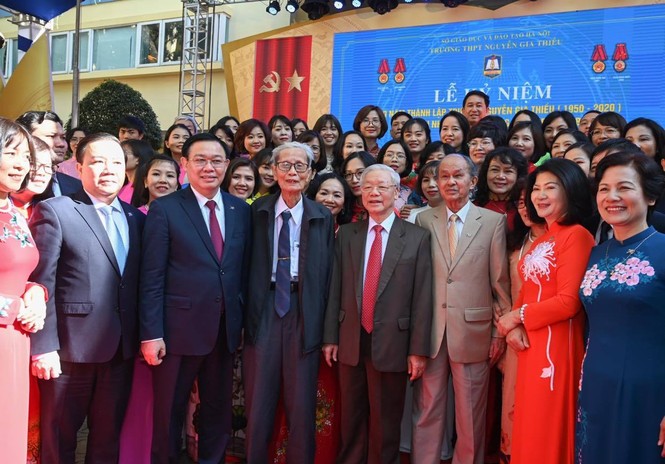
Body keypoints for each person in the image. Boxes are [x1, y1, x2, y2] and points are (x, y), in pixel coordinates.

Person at [30, 133, 145, 463]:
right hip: (68, 352)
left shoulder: (135, 218)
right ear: (78, 167)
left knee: (107, 439)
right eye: (97, 161)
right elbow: (42, 282)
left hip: (120, 352)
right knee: (60, 440)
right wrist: (43, 347)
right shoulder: (56, 210)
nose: (108, 169)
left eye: (116, 162)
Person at [140, 133, 251, 464]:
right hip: (176, 332)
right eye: (200, 160)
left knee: (218, 412)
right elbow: (152, 276)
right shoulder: (165, 209)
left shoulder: (239, 209)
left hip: (223, 332)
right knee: (168, 413)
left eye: (216, 161)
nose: (209, 167)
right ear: (184, 165)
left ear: (227, 166)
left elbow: (240, 271)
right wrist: (151, 333)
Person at [323, 164, 432, 463]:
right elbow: (335, 289)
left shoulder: (416, 237)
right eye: (368, 186)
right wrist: (330, 337)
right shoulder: (346, 234)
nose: (374, 192)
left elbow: (423, 297)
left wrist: (418, 350)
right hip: (350, 340)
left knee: (385, 423)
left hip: (394, 342)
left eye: (382, 187)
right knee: (351, 417)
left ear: (397, 193)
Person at [413, 154, 511, 464]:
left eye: (458, 176)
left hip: (474, 330)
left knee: (470, 413)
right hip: (431, 331)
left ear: (472, 181)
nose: (450, 182)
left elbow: (499, 283)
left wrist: (498, 332)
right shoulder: (423, 219)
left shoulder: (493, 221)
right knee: (427, 409)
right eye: (444, 176)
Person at [497, 158, 594, 464]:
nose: (539, 195)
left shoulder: (577, 235)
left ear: (571, 191)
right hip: (530, 344)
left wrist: (518, 317)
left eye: (550, 188)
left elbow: (569, 301)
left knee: (548, 425)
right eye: (536, 188)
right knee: (528, 420)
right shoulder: (547, 235)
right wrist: (512, 326)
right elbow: (526, 289)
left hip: (556, 346)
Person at [243, 142, 334, 463]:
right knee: (259, 404)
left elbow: (329, 280)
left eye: (300, 166)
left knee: (302, 406)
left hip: (304, 312)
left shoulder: (322, 216)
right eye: (286, 165)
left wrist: (327, 332)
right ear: (273, 171)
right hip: (264, 310)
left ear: (310, 174)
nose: (292, 172)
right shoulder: (255, 211)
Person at [576, 151, 665, 464]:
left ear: (650, 196)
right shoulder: (595, 253)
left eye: (624, 187)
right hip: (595, 387)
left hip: (649, 392)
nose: (612, 196)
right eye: (603, 188)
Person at [0, 118, 47, 464]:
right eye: (11, 153)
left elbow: (18, 272)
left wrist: (36, 293)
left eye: (26, 156)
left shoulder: (14, 212)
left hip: (16, 341)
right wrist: (15, 307)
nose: (22, 164)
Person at [500, 182, 547, 461]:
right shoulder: (514, 241)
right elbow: (499, 286)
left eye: (528, 200)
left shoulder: (561, 239)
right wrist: (506, 324)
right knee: (512, 402)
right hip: (513, 333)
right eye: (519, 203)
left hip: (548, 331)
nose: (525, 208)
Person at [16, 110, 81, 201]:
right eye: (51, 136)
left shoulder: (77, 187)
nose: (61, 144)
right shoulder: (8, 187)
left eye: (63, 138)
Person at [475, 147, 528, 232]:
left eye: (508, 171)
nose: (500, 176)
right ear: (486, 173)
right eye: (495, 170)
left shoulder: (525, 208)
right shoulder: (473, 207)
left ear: (518, 176)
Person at [11, 138, 57, 219]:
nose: (41, 172)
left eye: (47, 166)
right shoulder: (4, 205)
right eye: (34, 165)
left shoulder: (52, 209)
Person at [377, 139, 413, 212]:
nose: (394, 159)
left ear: (406, 163)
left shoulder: (409, 192)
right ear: (382, 159)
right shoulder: (372, 188)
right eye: (390, 155)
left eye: (400, 156)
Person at [341, 151, 377, 222]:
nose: (354, 180)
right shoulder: (342, 208)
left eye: (360, 172)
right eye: (348, 175)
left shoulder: (385, 208)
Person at [119, 139, 154, 204]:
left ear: (138, 159)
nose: (118, 157)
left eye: (124, 153)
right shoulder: (120, 185)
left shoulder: (146, 189)